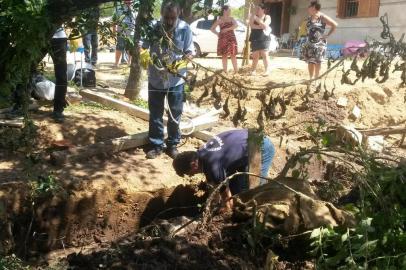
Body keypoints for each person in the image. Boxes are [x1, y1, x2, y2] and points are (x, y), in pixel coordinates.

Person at [142, 1, 194, 159]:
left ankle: (172, 144)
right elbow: (142, 46)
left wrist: (179, 64)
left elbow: (190, 52)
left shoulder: (185, 29)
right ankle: (157, 144)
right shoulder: (153, 27)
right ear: (161, 14)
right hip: (156, 78)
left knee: (175, 113)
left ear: (178, 14)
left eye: (173, 17)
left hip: (176, 80)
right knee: (155, 113)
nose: (169, 21)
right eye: (166, 17)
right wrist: (143, 55)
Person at [173, 129, 275, 209]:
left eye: (190, 173)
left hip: (260, 147)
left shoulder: (213, 166)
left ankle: (262, 210)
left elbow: (227, 199)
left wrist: (225, 210)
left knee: (249, 194)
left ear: (193, 165)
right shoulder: (202, 152)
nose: (192, 175)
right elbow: (214, 183)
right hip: (246, 141)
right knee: (235, 189)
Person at [301, 1, 337, 85]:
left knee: (318, 62)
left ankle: (316, 79)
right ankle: (311, 79)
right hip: (309, 44)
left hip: (319, 44)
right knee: (310, 61)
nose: (308, 8)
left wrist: (327, 35)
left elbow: (334, 25)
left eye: (310, 6)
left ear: (314, 8)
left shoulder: (322, 17)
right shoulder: (309, 18)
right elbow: (308, 29)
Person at [210, 5, 238, 73]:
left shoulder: (231, 18)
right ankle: (225, 71)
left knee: (233, 54)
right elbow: (212, 29)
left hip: (231, 38)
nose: (230, 11)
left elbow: (236, 25)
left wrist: (227, 29)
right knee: (224, 55)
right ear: (224, 11)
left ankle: (236, 71)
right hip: (223, 39)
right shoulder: (219, 19)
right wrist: (218, 34)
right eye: (229, 10)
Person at [249, 4, 272, 75]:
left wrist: (256, 19)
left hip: (264, 38)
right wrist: (261, 26)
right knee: (255, 56)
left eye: (258, 9)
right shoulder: (253, 16)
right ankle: (253, 71)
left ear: (263, 10)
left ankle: (267, 70)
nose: (257, 10)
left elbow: (265, 25)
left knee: (264, 54)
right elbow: (251, 26)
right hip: (255, 37)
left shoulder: (267, 17)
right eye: (256, 9)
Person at [113, 0, 135, 67]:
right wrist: (114, 30)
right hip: (121, 32)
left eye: (130, 3)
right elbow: (114, 21)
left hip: (131, 33)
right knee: (119, 47)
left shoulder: (135, 11)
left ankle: (129, 63)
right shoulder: (119, 10)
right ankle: (116, 63)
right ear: (124, 3)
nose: (129, 4)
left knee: (130, 48)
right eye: (127, 3)